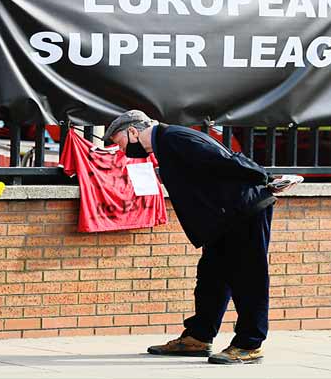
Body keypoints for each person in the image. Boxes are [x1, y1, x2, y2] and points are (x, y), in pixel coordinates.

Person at [104, 110, 300, 365]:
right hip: (223, 219)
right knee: (211, 279)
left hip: (243, 212)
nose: (121, 150)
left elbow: (224, 161)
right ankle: (198, 337)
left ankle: (249, 344)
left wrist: (266, 178)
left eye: (119, 142)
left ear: (132, 131)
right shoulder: (167, 142)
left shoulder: (175, 137)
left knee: (249, 278)